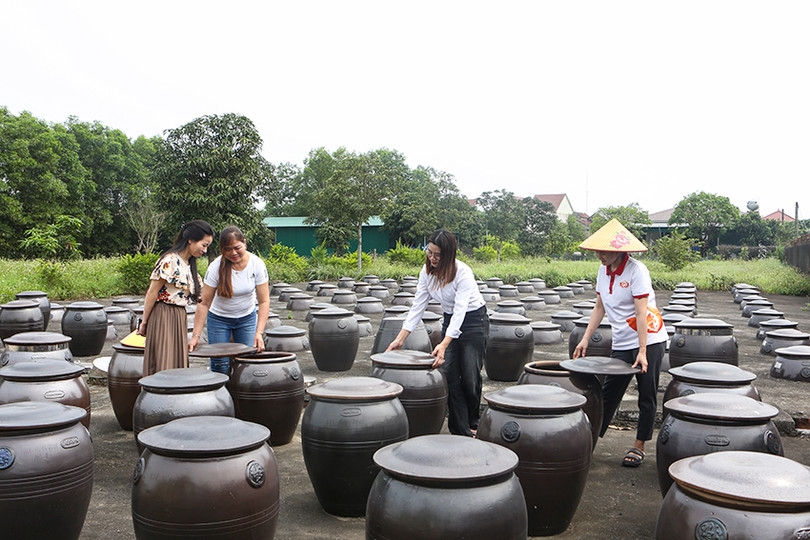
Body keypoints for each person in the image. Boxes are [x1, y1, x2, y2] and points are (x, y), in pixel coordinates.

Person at [573, 218, 668, 467]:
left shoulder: (637, 271)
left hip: (650, 339)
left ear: (619, 250)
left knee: (647, 392)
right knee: (609, 392)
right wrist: (584, 339)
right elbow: (600, 306)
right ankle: (589, 439)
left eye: (604, 251)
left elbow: (641, 313)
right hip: (623, 341)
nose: (600, 256)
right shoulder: (602, 271)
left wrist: (643, 352)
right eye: (597, 251)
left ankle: (640, 444)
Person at [386, 229, 488, 437]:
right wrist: (400, 338)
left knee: (469, 374)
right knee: (449, 374)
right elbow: (418, 307)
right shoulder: (426, 274)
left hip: (474, 320)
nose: (432, 258)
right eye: (429, 252)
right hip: (451, 319)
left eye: (437, 254)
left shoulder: (463, 273)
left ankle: (474, 421)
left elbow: (461, 311)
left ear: (449, 255)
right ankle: (461, 430)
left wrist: (443, 343)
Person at [138, 220, 214, 376]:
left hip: (179, 317)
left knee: (176, 364)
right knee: (163, 363)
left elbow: (203, 299)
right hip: (163, 316)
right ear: (191, 240)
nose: (205, 250)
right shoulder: (169, 260)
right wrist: (144, 322)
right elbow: (152, 292)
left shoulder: (188, 265)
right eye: (204, 245)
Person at [189, 226, 270, 373]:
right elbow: (204, 303)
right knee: (220, 363)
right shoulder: (215, 267)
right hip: (219, 319)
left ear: (244, 243)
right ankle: (219, 395)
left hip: (247, 318)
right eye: (227, 249)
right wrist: (196, 335)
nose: (233, 253)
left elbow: (264, 301)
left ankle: (239, 395)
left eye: (237, 247)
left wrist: (259, 332)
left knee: (246, 362)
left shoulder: (256, 264)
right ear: (222, 250)